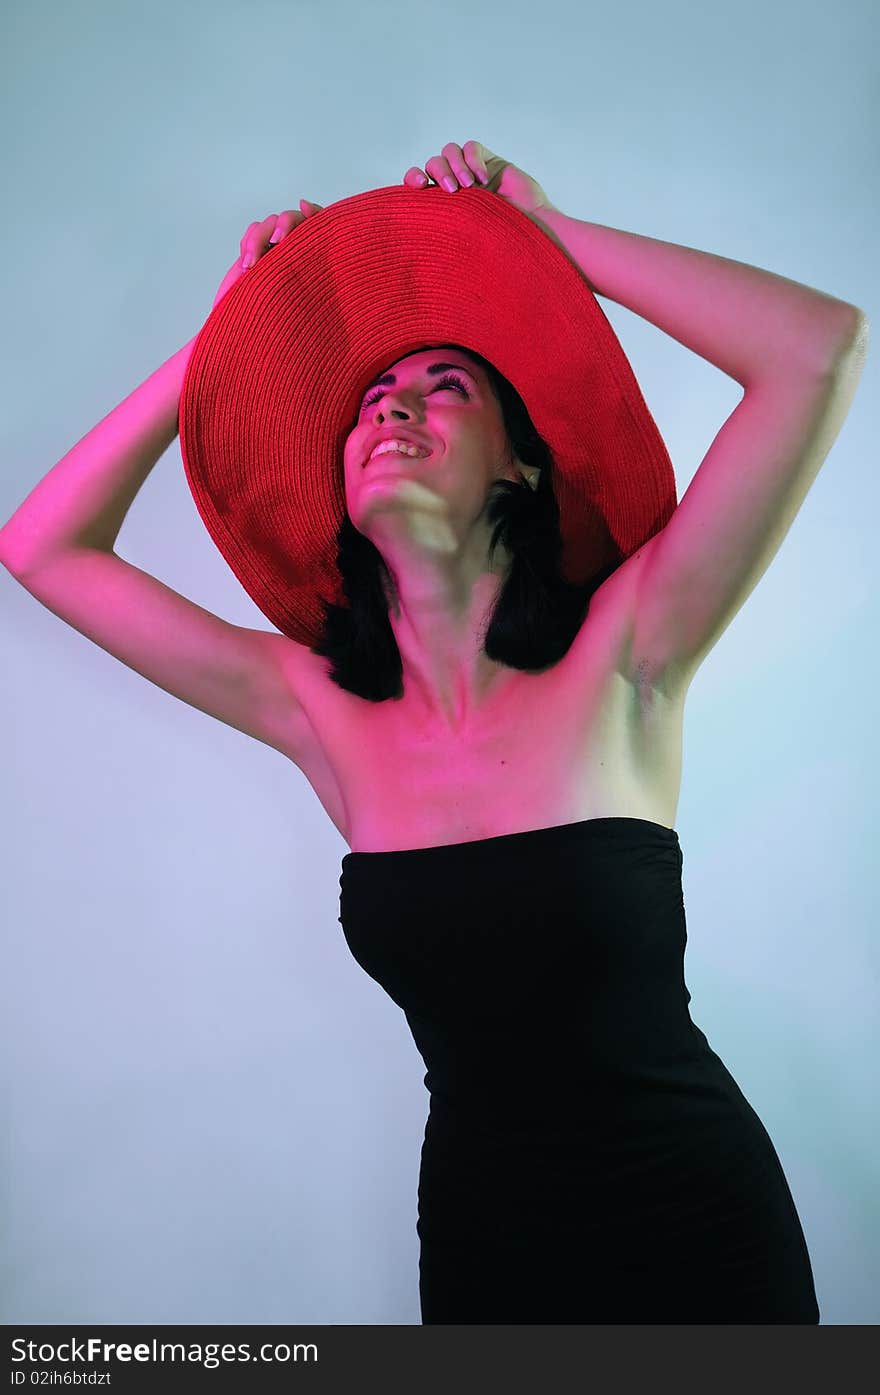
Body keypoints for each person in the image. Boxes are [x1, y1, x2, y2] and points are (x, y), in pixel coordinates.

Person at [1, 139, 867, 1323]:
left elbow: (816, 349)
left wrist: (545, 245)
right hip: (484, 1237)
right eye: (369, 402)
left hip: (696, 1225)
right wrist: (229, 334)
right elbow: (40, 546)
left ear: (519, 464)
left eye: (443, 388)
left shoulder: (634, 643)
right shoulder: (314, 705)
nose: (393, 407)